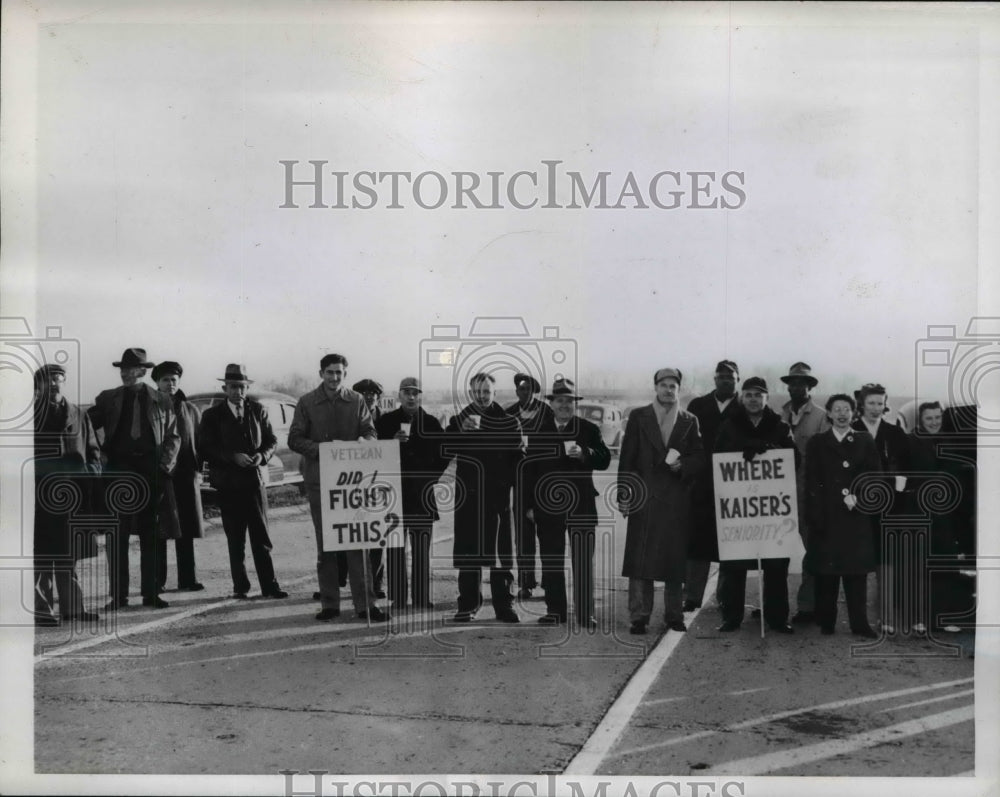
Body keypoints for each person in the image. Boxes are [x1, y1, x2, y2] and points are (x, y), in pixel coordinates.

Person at [289, 354, 386, 622]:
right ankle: (330, 603)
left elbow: (370, 431)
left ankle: (366, 604)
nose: (334, 377)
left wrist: (365, 441)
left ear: (345, 373)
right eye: (329, 372)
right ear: (321, 373)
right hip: (320, 482)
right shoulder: (306, 402)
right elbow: (295, 438)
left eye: (339, 373)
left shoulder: (356, 401)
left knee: (358, 543)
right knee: (327, 544)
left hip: (352, 484)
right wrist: (321, 451)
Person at [89, 347, 180, 610]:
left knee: (150, 534)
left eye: (131, 370)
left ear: (143, 371)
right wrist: (99, 455)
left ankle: (151, 594)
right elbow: (86, 426)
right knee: (118, 535)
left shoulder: (161, 399)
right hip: (119, 472)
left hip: (151, 473)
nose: (125, 374)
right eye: (122, 369)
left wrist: (164, 468)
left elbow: (174, 436)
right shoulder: (108, 399)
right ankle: (118, 597)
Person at [619, 368, 703, 635]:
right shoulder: (638, 416)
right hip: (644, 496)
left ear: (679, 390)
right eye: (664, 385)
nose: (669, 390)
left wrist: (684, 465)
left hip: (675, 500)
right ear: (655, 387)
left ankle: (674, 615)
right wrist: (624, 493)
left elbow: (699, 456)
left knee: (674, 561)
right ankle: (639, 616)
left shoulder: (689, 420)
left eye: (673, 386)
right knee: (640, 560)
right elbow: (627, 458)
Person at [523, 378, 611, 628]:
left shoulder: (588, 429)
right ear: (551, 403)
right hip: (547, 505)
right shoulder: (538, 430)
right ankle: (555, 610)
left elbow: (604, 459)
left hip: (581, 503)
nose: (564, 405)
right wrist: (528, 505)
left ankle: (585, 613)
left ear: (575, 404)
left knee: (583, 560)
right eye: (560, 400)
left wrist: (586, 454)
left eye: (569, 401)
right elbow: (528, 471)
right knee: (551, 559)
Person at [714, 377, 798, 634]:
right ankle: (732, 616)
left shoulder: (780, 426)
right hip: (740, 508)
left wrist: (770, 450)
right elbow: (717, 458)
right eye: (748, 394)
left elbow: (795, 459)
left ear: (767, 398)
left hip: (771, 507)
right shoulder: (729, 425)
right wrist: (743, 449)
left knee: (775, 565)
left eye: (758, 395)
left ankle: (777, 618)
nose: (753, 399)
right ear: (742, 397)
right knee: (735, 565)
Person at [200, 364, 288, 601]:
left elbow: (271, 440)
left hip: (254, 483)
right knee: (235, 539)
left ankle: (270, 586)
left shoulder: (257, 410)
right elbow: (206, 447)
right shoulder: (212, 415)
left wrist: (262, 456)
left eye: (241, 387)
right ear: (224, 388)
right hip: (228, 485)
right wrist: (232, 457)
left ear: (247, 387)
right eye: (233, 387)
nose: (237, 392)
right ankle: (240, 587)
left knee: (261, 538)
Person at [445, 372, 523, 623]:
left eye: (486, 392)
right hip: (468, 498)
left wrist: (513, 485)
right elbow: (443, 450)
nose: (481, 396)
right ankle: (468, 604)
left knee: (501, 555)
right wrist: (459, 431)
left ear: (495, 393)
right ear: (471, 393)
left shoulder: (510, 422)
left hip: (498, 499)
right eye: (477, 392)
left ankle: (504, 605)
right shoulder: (459, 419)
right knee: (469, 552)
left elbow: (518, 460)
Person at [805, 394, 880, 638]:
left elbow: (873, 476)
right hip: (827, 517)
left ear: (854, 413)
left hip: (854, 517)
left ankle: (860, 623)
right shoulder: (817, 442)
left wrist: (859, 495)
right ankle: (827, 622)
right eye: (836, 409)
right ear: (828, 413)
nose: (841, 414)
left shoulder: (864, 440)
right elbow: (811, 481)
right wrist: (815, 517)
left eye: (846, 409)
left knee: (856, 573)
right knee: (827, 574)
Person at [33, 364, 102, 625]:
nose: (54, 385)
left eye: (59, 380)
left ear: (65, 381)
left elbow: (93, 447)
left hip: (73, 494)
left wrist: (92, 470)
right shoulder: (29, 414)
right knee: (41, 555)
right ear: (38, 387)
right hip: (40, 495)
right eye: (48, 381)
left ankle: (73, 608)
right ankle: (42, 610)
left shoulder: (78, 413)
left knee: (68, 553)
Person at [375, 377, 448, 610]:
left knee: (421, 550)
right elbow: (374, 453)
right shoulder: (386, 422)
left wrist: (430, 479)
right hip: (394, 494)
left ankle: (421, 597)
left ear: (421, 395)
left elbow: (444, 456)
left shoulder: (432, 423)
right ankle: (397, 597)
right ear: (399, 395)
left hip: (422, 495)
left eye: (415, 392)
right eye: (406, 392)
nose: (411, 396)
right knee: (395, 548)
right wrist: (390, 442)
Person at [684, 359, 741, 611]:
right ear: (714, 379)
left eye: (731, 377)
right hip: (702, 484)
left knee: (730, 544)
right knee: (697, 542)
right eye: (721, 376)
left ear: (737, 380)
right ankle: (693, 595)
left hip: (735, 484)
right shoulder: (698, 405)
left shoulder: (744, 407)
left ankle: (725, 597)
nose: (726, 380)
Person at [852, 383, 909, 632]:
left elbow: (906, 467)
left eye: (880, 403)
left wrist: (897, 491)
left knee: (886, 560)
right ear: (862, 404)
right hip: (857, 506)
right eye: (871, 403)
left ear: (886, 405)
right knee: (860, 560)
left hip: (889, 505)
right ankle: (859, 618)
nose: (876, 408)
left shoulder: (894, 432)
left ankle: (885, 617)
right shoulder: (851, 430)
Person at [906, 402, 965, 635]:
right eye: (929, 418)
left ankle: (942, 617)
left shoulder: (950, 442)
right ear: (921, 420)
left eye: (937, 418)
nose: (934, 422)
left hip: (945, 514)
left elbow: (957, 478)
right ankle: (918, 619)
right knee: (919, 567)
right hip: (918, 511)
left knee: (946, 565)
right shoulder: (911, 442)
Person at [778, 362, 829, 625]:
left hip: (807, 494)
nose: (796, 387)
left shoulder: (821, 417)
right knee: (776, 551)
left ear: (810, 386)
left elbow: (825, 459)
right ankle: (774, 604)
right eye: (793, 382)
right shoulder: (779, 414)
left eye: (802, 383)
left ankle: (808, 606)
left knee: (812, 551)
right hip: (779, 494)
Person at [152, 361, 205, 592]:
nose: (170, 384)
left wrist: (200, 472)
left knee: (186, 529)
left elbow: (200, 443)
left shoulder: (191, 410)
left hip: (185, 476)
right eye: (165, 380)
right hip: (161, 475)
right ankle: (157, 581)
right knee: (160, 530)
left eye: (174, 380)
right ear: (157, 383)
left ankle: (187, 578)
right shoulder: (151, 407)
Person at [503, 372, 554, 599]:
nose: (525, 393)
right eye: (521, 389)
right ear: (516, 391)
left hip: (543, 478)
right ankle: (526, 582)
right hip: (521, 480)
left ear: (535, 391)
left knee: (548, 533)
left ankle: (551, 581)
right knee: (523, 535)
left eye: (529, 389)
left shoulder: (547, 412)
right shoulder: (509, 413)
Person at [353, 377, 386, 597]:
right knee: (352, 534)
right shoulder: (351, 417)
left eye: (373, 394)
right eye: (365, 394)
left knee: (378, 536)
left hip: (380, 481)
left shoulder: (387, 419)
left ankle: (376, 583)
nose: (369, 397)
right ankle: (352, 582)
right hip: (355, 481)